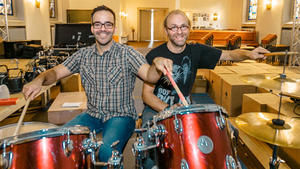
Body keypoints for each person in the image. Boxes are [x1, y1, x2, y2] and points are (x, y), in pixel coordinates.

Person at [22, 5, 172, 168]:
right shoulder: (82, 55)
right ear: (92, 28)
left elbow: (149, 76)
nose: (103, 29)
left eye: (108, 24)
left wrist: (157, 65)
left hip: (121, 116)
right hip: (91, 115)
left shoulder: (127, 53)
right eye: (98, 24)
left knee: (106, 152)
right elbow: (55, 73)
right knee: (60, 140)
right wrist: (39, 79)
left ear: (114, 28)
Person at [141, 9, 269, 168]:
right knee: (146, 146)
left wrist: (249, 54)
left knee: (213, 139)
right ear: (166, 30)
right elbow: (146, 95)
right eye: (173, 27)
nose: (179, 31)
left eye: (183, 27)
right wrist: (168, 109)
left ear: (189, 28)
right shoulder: (155, 55)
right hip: (157, 109)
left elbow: (229, 55)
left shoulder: (196, 51)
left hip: (185, 107)